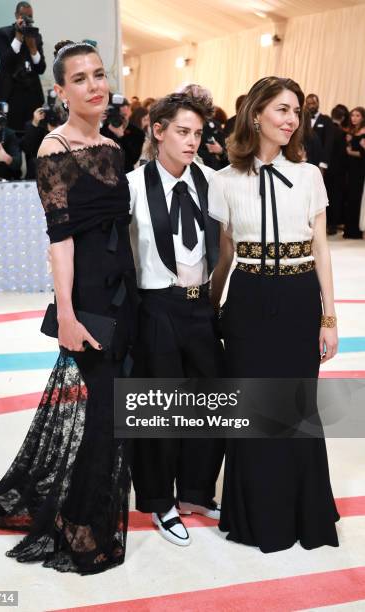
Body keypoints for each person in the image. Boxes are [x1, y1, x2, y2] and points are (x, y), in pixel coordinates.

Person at [0, 39, 138, 576]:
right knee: (107, 413)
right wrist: (66, 313)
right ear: (59, 91)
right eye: (79, 79)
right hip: (87, 301)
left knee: (114, 411)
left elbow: (122, 232)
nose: (94, 86)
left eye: (99, 75)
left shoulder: (114, 148)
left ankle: (89, 508)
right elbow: (60, 240)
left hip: (124, 295)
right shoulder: (52, 151)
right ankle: (79, 524)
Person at [209, 76, 340, 553]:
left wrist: (330, 317)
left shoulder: (309, 176)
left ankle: (305, 515)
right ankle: (254, 516)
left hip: (298, 299)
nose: (291, 120)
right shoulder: (222, 181)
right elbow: (225, 256)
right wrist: (210, 310)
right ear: (257, 113)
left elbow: (322, 250)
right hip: (246, 302)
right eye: (282, 110)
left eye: (296, 113)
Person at [128, 90, 226, 547]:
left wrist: (215, 298)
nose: (191, 142)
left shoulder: (210, 180)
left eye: (198, 133)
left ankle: (194, 491)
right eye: (183, 132)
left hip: (200, 305)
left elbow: (222, 247)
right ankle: (159, 500)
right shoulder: (132, 185)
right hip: (157, 307)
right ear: (158, 131)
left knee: (210, 404)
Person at [0, 2, 46, 133]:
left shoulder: (36, 36)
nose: (27, 20)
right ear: (17, 15)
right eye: (23, 16)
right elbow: (5, 62)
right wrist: (18, 38)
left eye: (30, 16)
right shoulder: (3, 33)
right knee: (11, 135)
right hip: (11, 95)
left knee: (33, 134)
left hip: (32, 95)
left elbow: (41, 68)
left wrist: (33, 49)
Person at [325, 106, 348, 234]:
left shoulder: (327, 130)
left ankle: (326, 223)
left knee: (325, 195)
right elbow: (343, 154)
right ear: (343, 118)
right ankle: (333, 224)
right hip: (339, 170)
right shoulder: (342, 133)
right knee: (336, 197)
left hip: (325, 168)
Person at [344, 106, 365, 239]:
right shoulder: (351, 131)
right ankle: (350, 229)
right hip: (350, 169)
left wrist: (350, 151)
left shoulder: (364, 132)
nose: (354, 118)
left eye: (357, 115)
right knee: (350, 197)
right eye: (352, 115)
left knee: (356, 197)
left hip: (360, 170)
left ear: (363, 117)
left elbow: (363, 154)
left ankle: (356, 231)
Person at [305, 93, 334, 173]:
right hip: (303, 160)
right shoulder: (302, 120)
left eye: (313, 103)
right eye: (308, 104)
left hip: (318, 161)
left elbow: (328, 143)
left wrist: (323, 163)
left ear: (318, 103)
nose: (311, 106)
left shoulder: (326, 120)